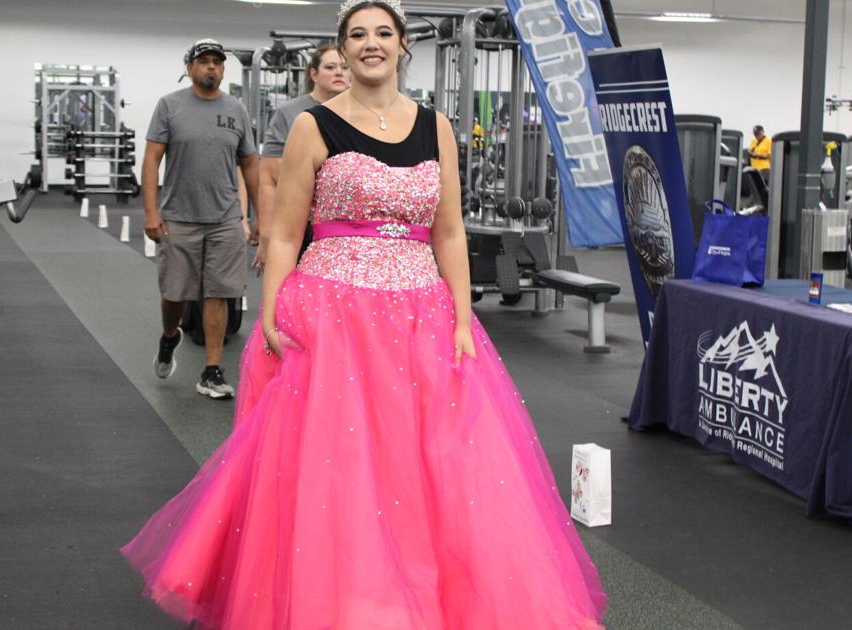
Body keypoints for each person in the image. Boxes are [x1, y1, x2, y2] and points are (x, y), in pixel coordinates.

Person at [121, 3, 607, 628]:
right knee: (340, 466)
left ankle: (423, 602)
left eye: (383, 33)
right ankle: (345, 603)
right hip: (333, 315)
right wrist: (269, 313)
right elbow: (287, 232)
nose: (370, 44)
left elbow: (450, 231)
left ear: (403, 46)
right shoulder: (312, 127)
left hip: (421, 316)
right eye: (357, 35)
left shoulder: (436, 127)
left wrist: (462, 318)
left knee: (428, 463)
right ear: (341, 51)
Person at [143, 38, 260, 400]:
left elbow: (251, 164)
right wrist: (151, 210)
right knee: (174, 295)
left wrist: (258, 216)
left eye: (217, 62)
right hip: (179, 217)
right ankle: (169, 336)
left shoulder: (236, 110)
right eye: (204, 61)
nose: (212, 67)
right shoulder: (170, 106)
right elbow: (151, 161)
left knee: (220, 293)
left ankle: (211, 370)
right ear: (189, 68)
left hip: (225, 217)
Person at [254, 41, 351, 271]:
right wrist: (267, 236)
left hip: (345, 227)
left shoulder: (362, 114)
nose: (339, 72)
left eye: (345, 67)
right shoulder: (289, 113)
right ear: (314, 73)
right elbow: (269, 179)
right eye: (330, 67)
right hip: (299, 223)